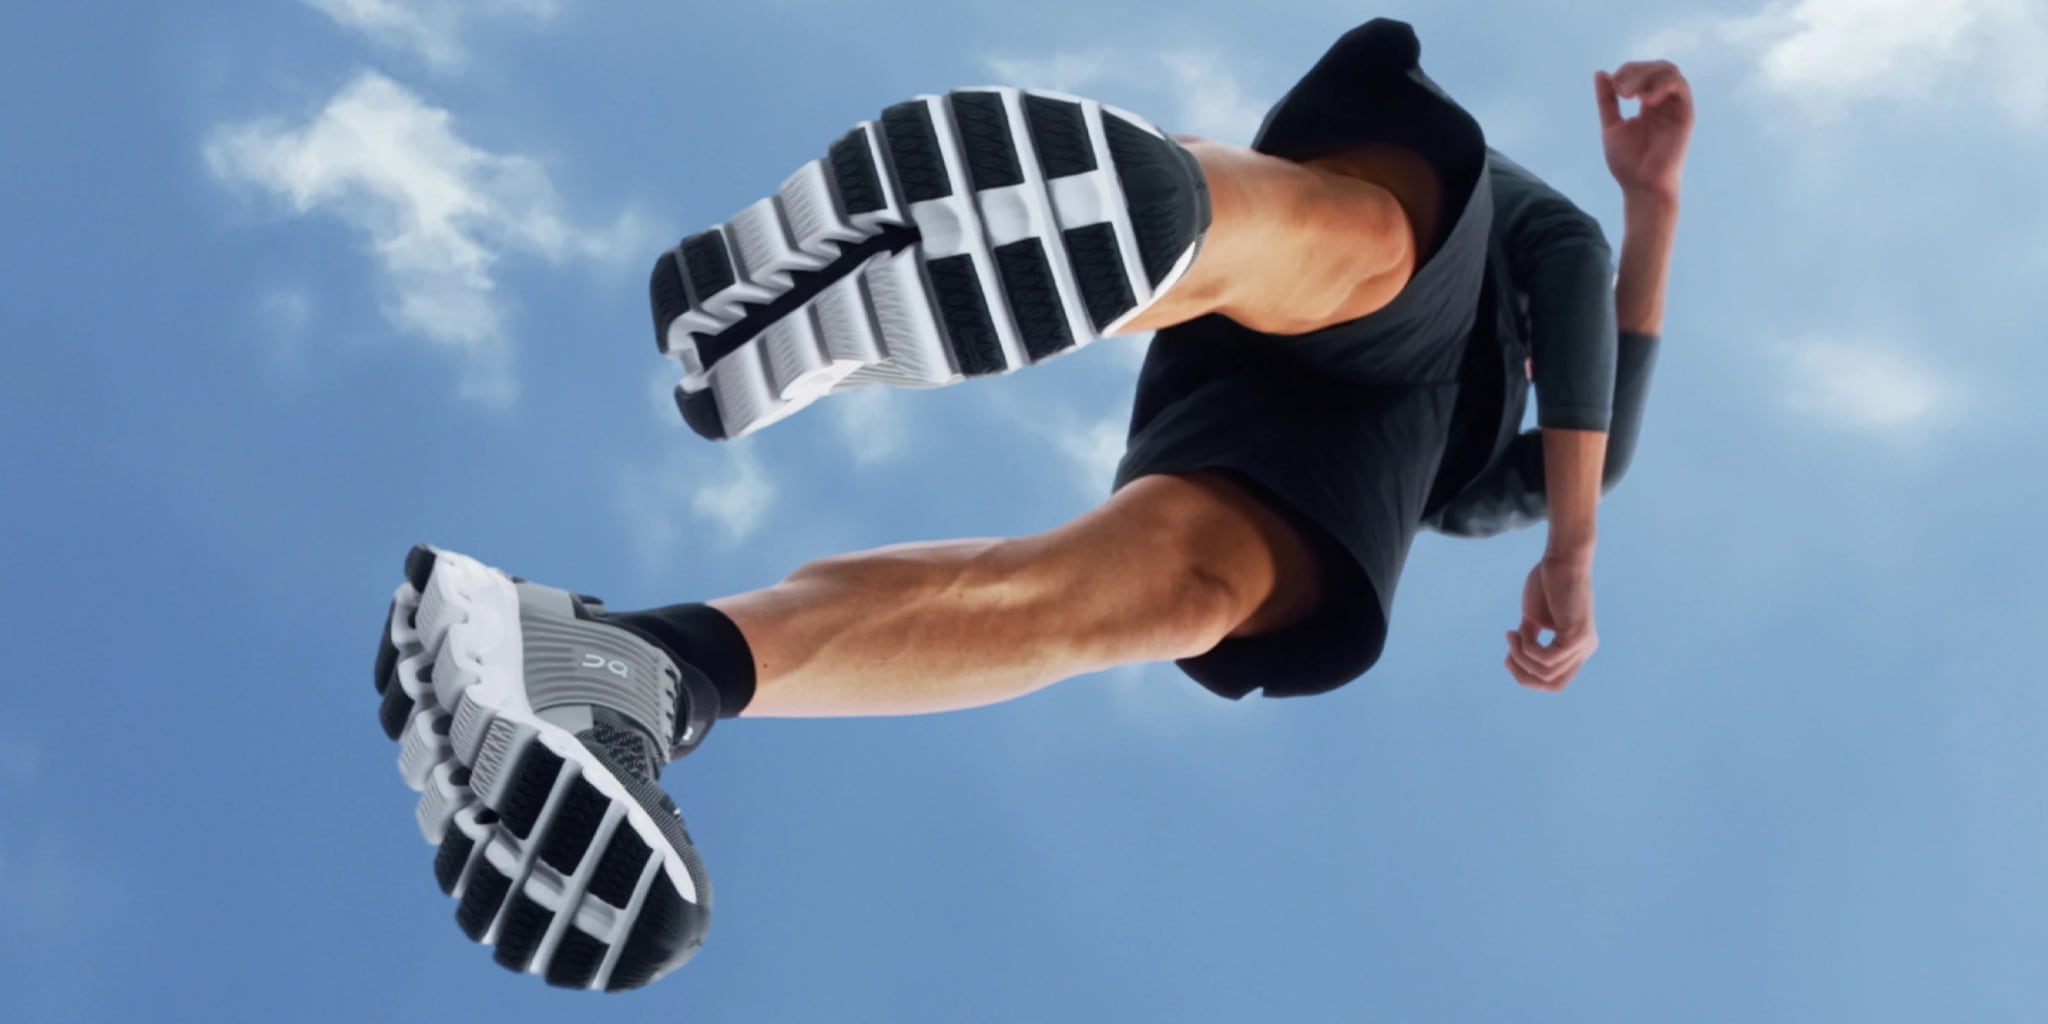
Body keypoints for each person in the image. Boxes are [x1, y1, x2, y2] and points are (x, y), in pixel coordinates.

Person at [368, 18, 1693, 992]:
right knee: (1363, 253)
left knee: (1195, 597)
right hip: (1377, 263)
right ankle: (1153, 213)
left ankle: (634, 669)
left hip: (1355, 449)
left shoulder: (1472, 484)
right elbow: (1568, 262)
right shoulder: (1518, 250)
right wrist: (1576, 546)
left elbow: (1597, 442)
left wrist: (1661, 199)